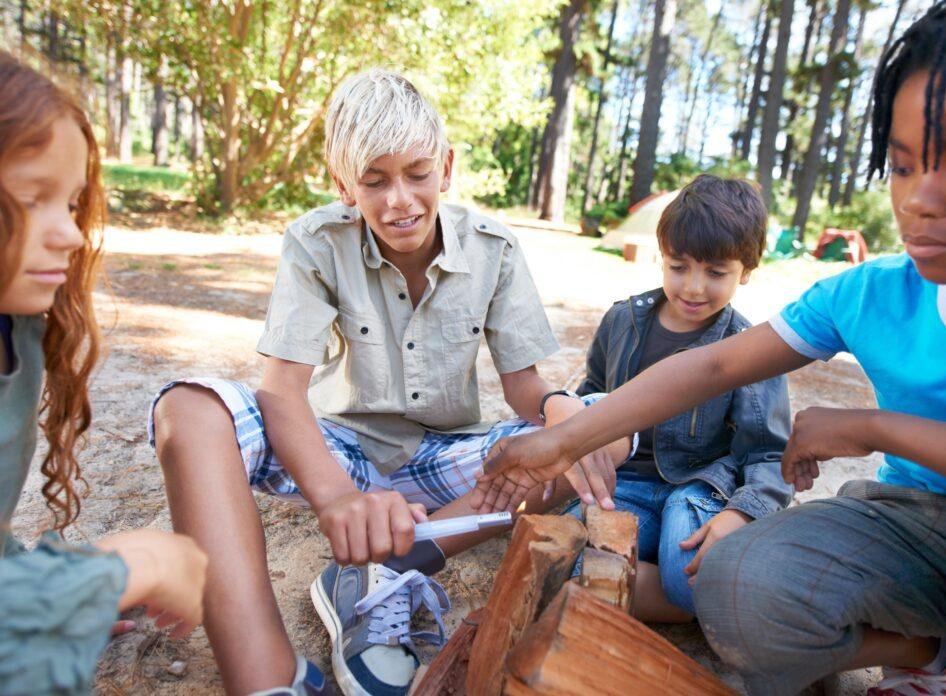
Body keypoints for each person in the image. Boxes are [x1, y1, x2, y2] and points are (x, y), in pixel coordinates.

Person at [472, 2, 946, 693]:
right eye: (905, 167)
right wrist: (563, 441)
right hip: (918, 529)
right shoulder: (871, 294)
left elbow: (759, 446)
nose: (919, 200)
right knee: (734, 581)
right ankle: (928, 650)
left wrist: (875, 427)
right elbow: (713, 366)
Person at [149, 68, 632, 696]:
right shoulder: (316, 243)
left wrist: (562, 413)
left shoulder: (494, 249)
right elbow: (280, 391)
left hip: (444, 457)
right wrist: (337, 500)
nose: (399, 200)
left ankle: (396, 564)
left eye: (417, 174)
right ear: (344, 185)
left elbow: (524, 385)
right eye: (374, 181)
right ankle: (266, 677)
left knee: (607, 428)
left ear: (447, 168)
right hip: (334, 451)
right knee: (187, 410)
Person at [0, 53, 207, 694]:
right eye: (33, 200)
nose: (69, 234)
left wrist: (58, 593)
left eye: (70, 202)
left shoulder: (19, 327)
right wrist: (125, 569)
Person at [567, 174, 791, 624]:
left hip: (700, 489)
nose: (693, 287)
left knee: (686, 569)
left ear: (745, 271)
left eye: (716, 272)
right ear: (661, 257)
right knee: (567, 552)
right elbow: (591, 396)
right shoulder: (622, 321)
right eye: (679, 266)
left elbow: (770, 452)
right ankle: (697, 604)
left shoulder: (749, 348)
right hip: (626, 483)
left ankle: (698, 597)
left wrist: (743, 514)